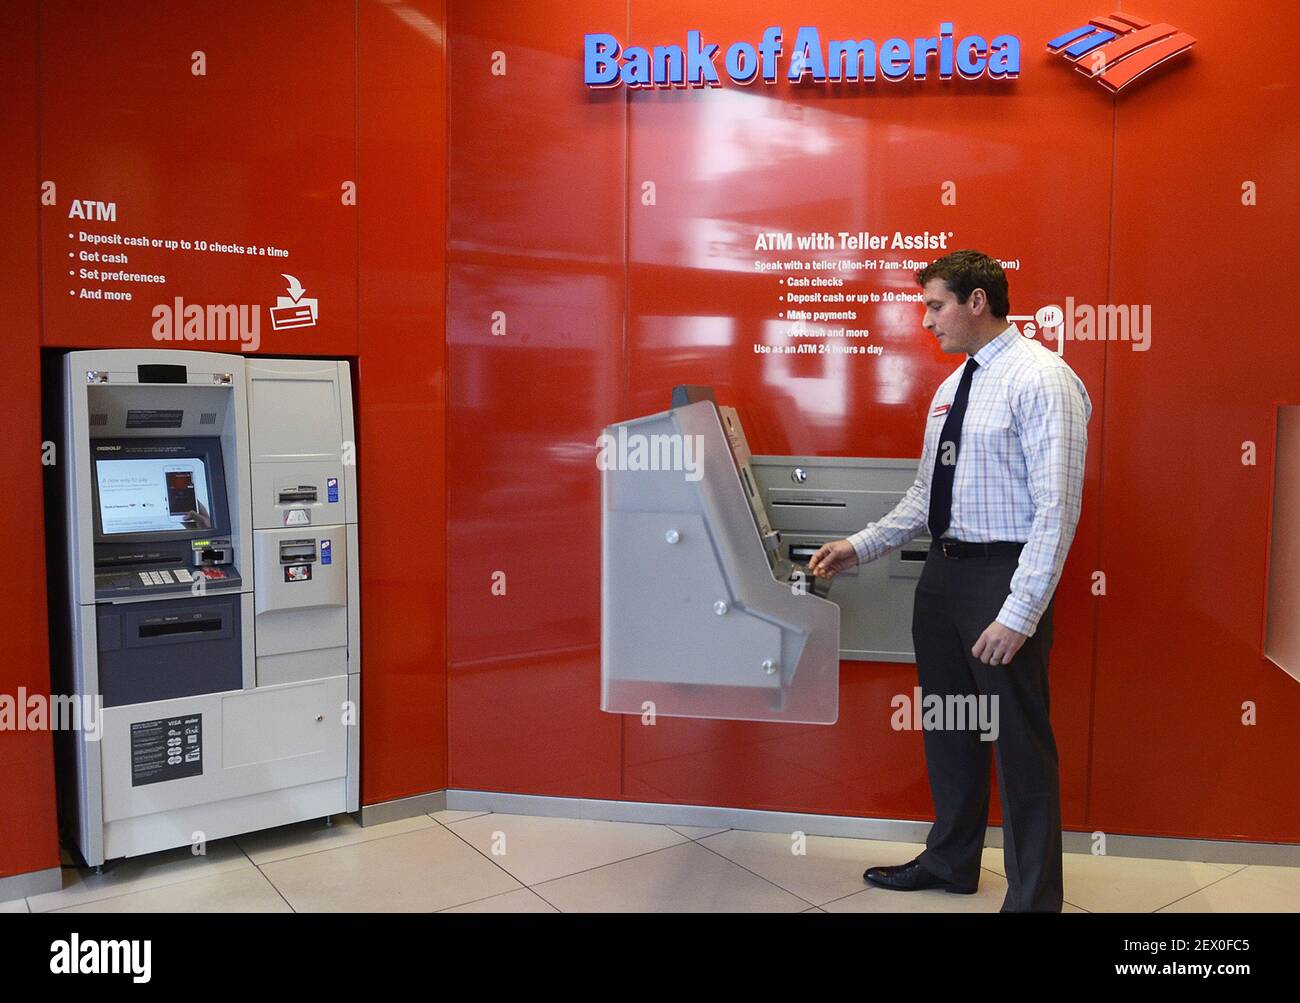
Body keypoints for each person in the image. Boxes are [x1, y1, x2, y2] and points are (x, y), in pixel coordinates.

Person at [807, 249, 1091, 913]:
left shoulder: (1042, 378)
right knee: (950, 725)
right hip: (943, 576)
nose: (926, 320)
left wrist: (1021, 611)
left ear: (977, 302)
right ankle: (952, 859)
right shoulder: (949, 389)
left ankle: (1032, 898)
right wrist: (859, 546)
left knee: (1019, 740)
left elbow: (1058, 506)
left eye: (935, 305)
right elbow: (922, 498)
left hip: (1003, 575)